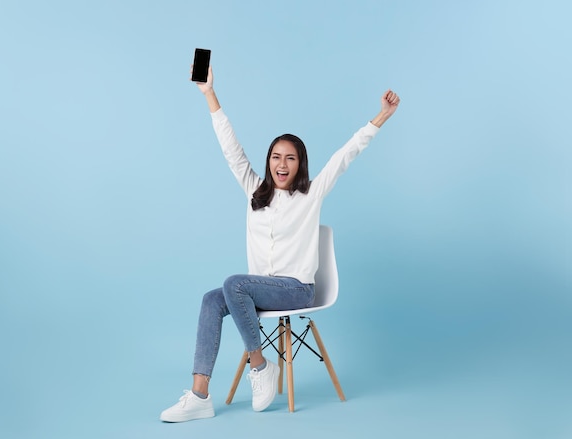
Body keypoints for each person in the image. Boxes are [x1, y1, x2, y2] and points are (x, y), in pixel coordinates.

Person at [160, 65, 400, 423]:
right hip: (258, 291)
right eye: (276, 156)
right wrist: (209, 93)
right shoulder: (254, 191)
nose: (281, 164)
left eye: (290, 157)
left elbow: (347, 153)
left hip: (297, 289)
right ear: (268, 162)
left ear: (300, 163)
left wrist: (382, 115)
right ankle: (199, 395)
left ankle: (260, 367)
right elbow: (231, 148)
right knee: (212, 299)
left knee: (233, 284)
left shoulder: (311, 194)